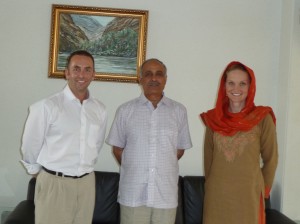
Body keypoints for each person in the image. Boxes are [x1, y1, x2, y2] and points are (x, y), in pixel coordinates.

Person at [21, 50, 107, 224]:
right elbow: (30, 146)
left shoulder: (100, 109)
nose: (81, 74)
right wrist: (41, 174)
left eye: (87, 69)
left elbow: (96, 145)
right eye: (76, 68)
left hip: (86, 184)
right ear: (66, 72)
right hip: (55, 184)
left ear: (93, 75)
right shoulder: (47, 106)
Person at [106, 58, 192, 224]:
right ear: (140, 79)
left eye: (159, 74)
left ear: (165, 79)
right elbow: (117, 149)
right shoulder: (125, 111)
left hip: (165, 195)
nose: (154, 78)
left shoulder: (179, 111)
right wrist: (134, 167)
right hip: (133, 194)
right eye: (148, 74)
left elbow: (179, 150)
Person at [200, 61, 278, 224]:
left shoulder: (262, 118)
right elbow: (209, 159)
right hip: (217, 197)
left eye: (242, 83)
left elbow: (271, 158)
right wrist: (211, 185)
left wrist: (262, 191)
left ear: (250, 87)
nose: (236, 89)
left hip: (248, 196)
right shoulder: (214, 120)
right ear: (224, 87)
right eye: (231, 83)